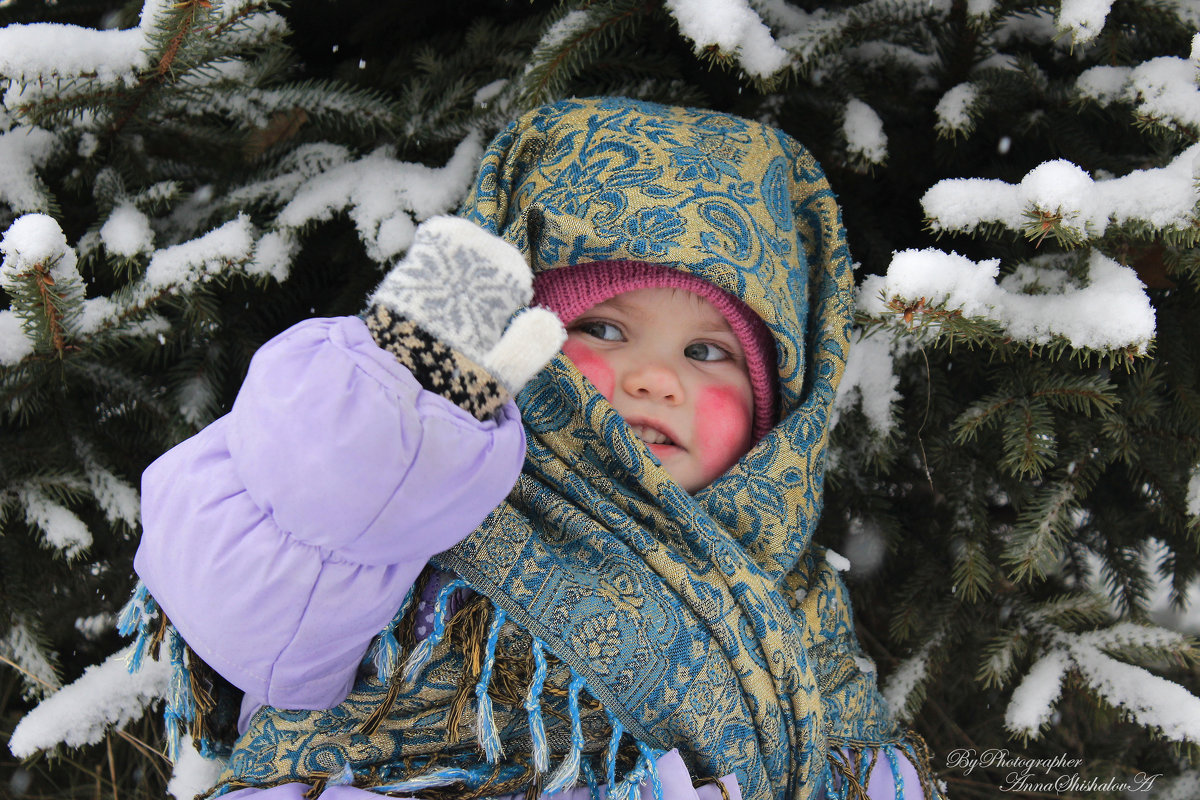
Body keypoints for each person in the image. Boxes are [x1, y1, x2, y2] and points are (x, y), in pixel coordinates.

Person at [126, 97, 942, 800]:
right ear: (513, 335)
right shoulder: (427, 511)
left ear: (779, 412)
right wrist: (388, 421)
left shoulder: (783, 587)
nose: (656, 379)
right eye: (603, 328)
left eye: (707, 352)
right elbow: (258, 610)